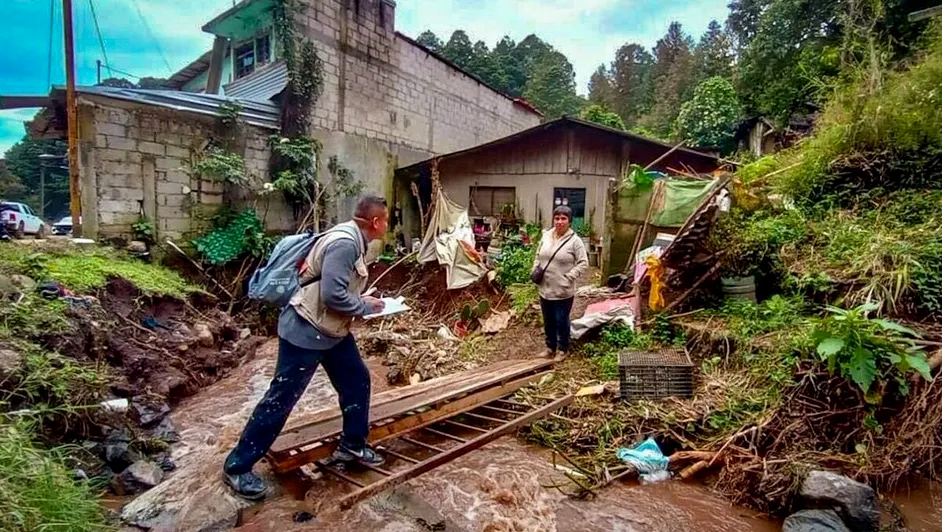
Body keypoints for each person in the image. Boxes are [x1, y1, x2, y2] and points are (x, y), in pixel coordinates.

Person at [222, 195, 389, 500]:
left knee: (357, 381)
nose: (387, 225)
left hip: (331, 331)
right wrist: (365, 307)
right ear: (376, 222)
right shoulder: (345, 244)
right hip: (306, 331)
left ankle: (352, 445)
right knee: (281, 398)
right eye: (386, 220)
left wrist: (360, 303)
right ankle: (237, 467)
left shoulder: (351, 237)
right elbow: (333, 296)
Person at [532, 206, 588, 362]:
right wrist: (535, 269)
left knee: (561, 320)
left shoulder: (575, 241)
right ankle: (550, 347)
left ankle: (562, 349)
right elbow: (538, 255)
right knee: (548, 319)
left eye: (564, 218)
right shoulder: (546, 235)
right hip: (545, 287)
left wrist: (569, 276)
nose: (560, 222)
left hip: (563, 289)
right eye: (557, 218)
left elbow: (583, 263)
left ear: (569, 222)